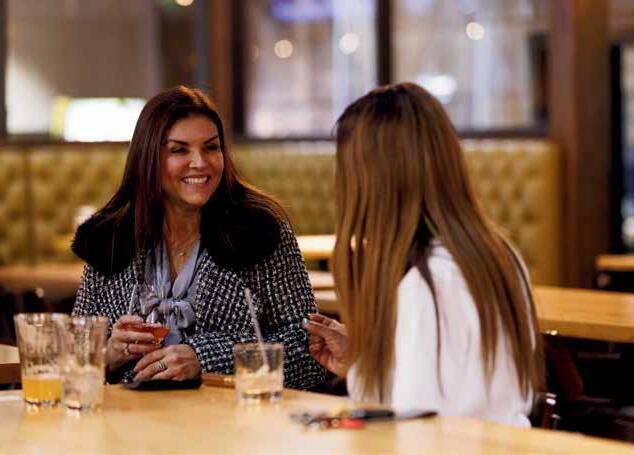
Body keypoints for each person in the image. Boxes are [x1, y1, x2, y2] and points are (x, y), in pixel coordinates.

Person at [304, 82, 544, 426]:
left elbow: (414, 429)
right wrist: (363, 359)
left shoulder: (429, 285)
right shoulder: (500, 255)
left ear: (373, 180)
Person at [72, 86, 325, 389]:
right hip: (130, 417)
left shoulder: (258, 230)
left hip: (233, 416)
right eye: (179, 150)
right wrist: (109, 355)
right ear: (148, 158)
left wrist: (204, 358)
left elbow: (310, 350)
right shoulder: (108, 239)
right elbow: (70, 360)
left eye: (211, 148)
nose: (200, 162)